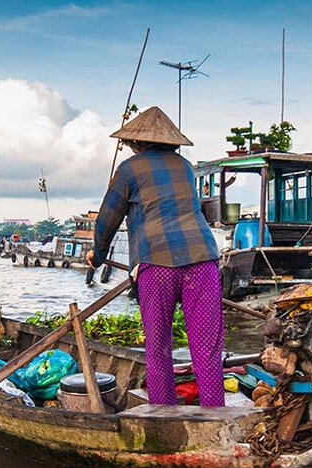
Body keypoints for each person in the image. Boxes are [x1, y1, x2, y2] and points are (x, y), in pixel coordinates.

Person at [87, 106, 224, 407]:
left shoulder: (129, 169)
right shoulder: (186, 167)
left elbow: (107, 218)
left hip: (157, 264)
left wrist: (97, 257)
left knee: (158, 345)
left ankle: (164, 411)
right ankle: (215, 412)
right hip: (203, 259)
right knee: (207, 346)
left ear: (136, 143)